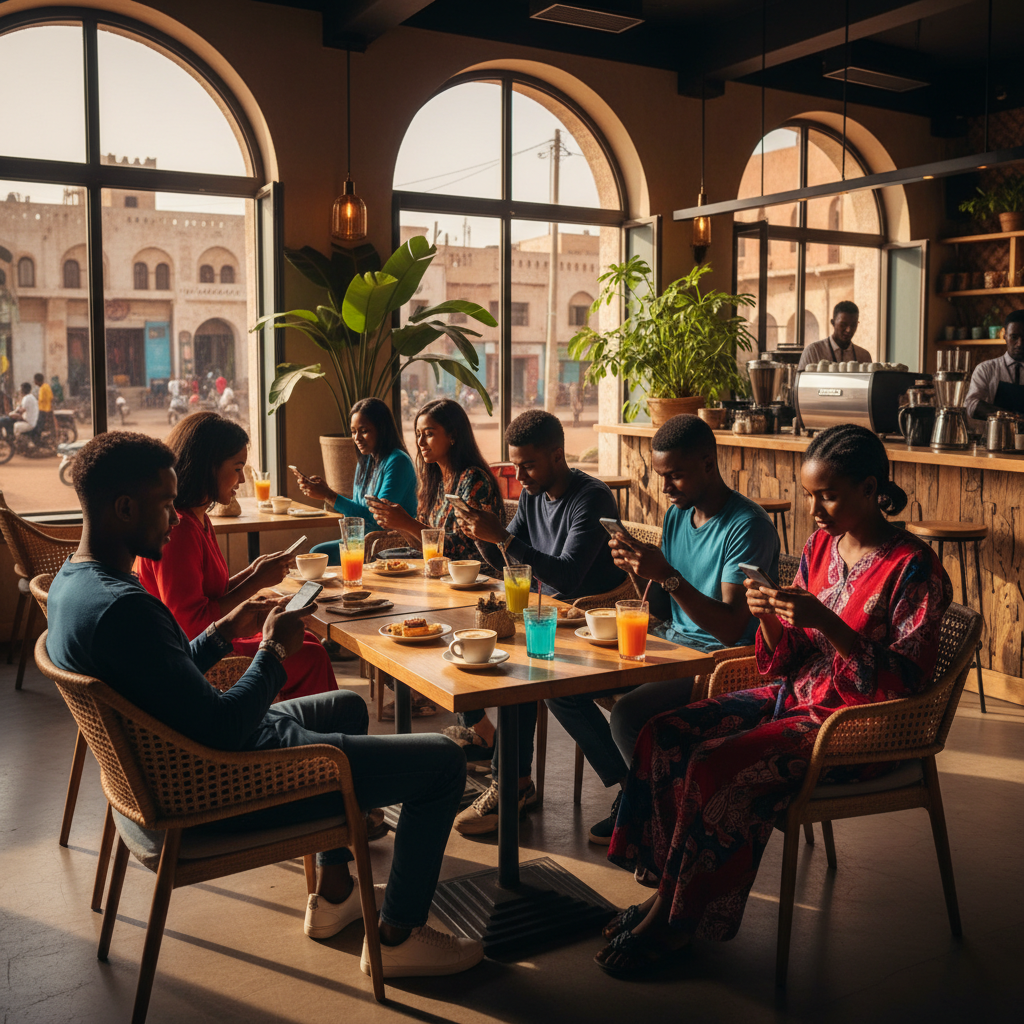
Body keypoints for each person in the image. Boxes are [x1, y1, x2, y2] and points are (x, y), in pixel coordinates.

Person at [46, 431, 483, 978]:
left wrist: (226, 631)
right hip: (218, 785)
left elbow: (168, 671)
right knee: (443, 763)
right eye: (164, 506)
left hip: (167, 768)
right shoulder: (126, 609)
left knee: (345, 707)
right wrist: (274, 651)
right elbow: (227, 727)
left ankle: (335, 890)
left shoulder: (74, 585)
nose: (174, 519)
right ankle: (396, 936)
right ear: (125, 507)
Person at [596, 424, 952, 976]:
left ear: (870, 487)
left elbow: (905, 679)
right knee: (663, 733)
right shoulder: (821, 546)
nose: (815, 510)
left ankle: (677, 922)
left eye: (828, 495)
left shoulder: (914, 567)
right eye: (811, 495)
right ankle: (666, 898)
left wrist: (827, 623)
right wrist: (767, 615)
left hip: (855, 724)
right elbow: (786, 658)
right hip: (794, 697)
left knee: (716, 764)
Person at [547, 414, 779, 844]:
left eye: (675, 476)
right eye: (661, 476)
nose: (666, 487)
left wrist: (669, 575)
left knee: (628, 714)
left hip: (719, 662)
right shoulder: (678, 516)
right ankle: (631, 792)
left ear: (709, 464)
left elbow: (731, 627)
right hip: (672, 645)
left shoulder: (746, 527)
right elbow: (659, 606)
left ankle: (650, 817)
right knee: (559, 680)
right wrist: (639, 569)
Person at [452, 409, 629, 835]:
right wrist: (482, 537)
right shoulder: (533, 495)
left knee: (531, 679)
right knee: (480, 653)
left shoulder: (592, 497)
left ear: (557, 454)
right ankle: (513, 782)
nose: (520, 475)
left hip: (596, 619)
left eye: (528, 465)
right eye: (515, 464)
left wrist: (505, 538)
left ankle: (627, 786)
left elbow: (568, 574)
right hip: (549, 616)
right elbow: (508, 564)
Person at [136, 412, 336, 702]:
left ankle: (302, 731)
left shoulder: (199, 518)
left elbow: (208, 594)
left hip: (210, 641)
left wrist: (252, 573)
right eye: (238, 467)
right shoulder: (178, 529)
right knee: (310, 653)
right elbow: (192, 626)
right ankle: (316, 740)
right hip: (195, 657)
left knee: (304, 637)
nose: (242, 479)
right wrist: (255, 582)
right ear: (209, 467)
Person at [366, 398, 502, 564]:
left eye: (429, 434)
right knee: (378, 564)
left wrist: (407, 523)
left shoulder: (474, 480)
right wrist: (398, 523)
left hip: (470, 578)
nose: (420, 442)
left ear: (452, 435)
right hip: (436, 571)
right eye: (418, 434)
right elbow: (421, 546)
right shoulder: (435, 481)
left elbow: (465, 552)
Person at [295, 398, 417, 565]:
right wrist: (326, 492)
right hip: (361, 542)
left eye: (364, 430)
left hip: (386, 544)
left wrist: (330, 496)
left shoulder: (398, 462)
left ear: (382, 430)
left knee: (319, 555)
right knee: (316, 555)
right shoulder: (366, 462)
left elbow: (378, 521)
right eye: (353, 431)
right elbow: (358, 509)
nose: (357, 438)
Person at [964, 309, 1024, 421]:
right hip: (994, 437)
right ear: (1004, 336)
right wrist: (1010, 417)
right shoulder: (986, 369)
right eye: (1014, 337)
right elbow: (972, 405)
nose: (1020, 343)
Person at [795, 301, 870, 371]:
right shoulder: (813, 352)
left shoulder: (864, 356)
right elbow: (801, 384)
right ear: (833, 323)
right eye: (843, 325)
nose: (848, 330)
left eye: (853, 325)